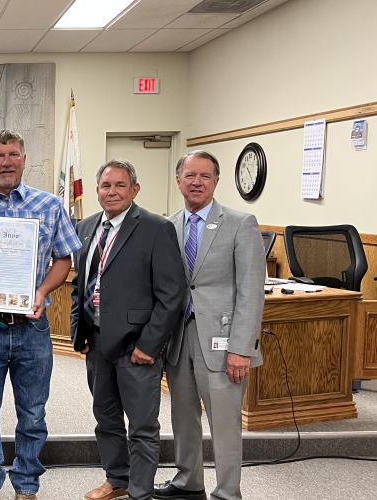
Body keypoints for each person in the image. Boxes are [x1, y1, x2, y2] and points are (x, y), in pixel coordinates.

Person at [0, 129, 82, 500]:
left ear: (25, 160)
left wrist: (40, 292)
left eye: (13, 154)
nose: (7, 161)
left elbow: (64, 259)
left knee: (33, 413)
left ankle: (26, 487)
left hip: (32, 328)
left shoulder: (49, 206)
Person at [71, 160, 185, 500]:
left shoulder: (155, 228)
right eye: (106, 186)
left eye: (120, 185)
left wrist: (150, 344)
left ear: (134, 189)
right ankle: (116, 479)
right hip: (97, 341)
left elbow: (171, 294)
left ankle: (140, 491)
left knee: (142, 426)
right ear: (97, 191)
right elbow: (81, 285)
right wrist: (79, 331)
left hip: (137, 344)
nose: (112, 192)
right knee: (105, 418)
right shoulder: (87, 227)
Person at [154, 151, 265, 500]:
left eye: (205, 176)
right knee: (183, 415)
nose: (197, 182)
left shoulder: (240, 222)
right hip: (179, 338)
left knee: (224, 422)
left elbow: (251, 291)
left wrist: (241, 348)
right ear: (178, 181)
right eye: (190, 176)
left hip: (223, 341)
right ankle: (189, 480)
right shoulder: (167, 226)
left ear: (216, 181)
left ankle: (228, 491)